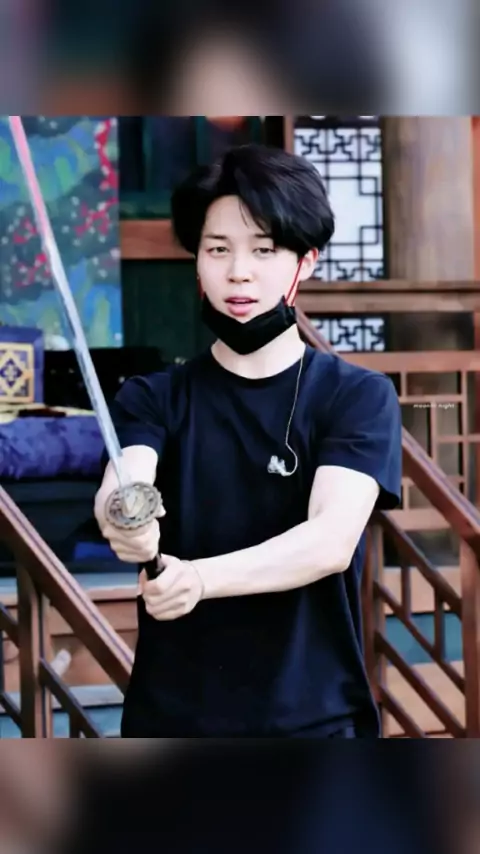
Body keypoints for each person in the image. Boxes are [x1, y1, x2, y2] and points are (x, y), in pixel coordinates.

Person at [94, 142, 402, 738]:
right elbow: (126, 477)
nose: (239, 271)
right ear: (197, 260)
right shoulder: (153, 396)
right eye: (218, 249)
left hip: (312, 722)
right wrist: (126, 519)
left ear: (305, 262)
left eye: (264, 249)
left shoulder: (356, 396)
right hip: (172, 720)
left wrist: (200, 579)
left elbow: (330, 541)